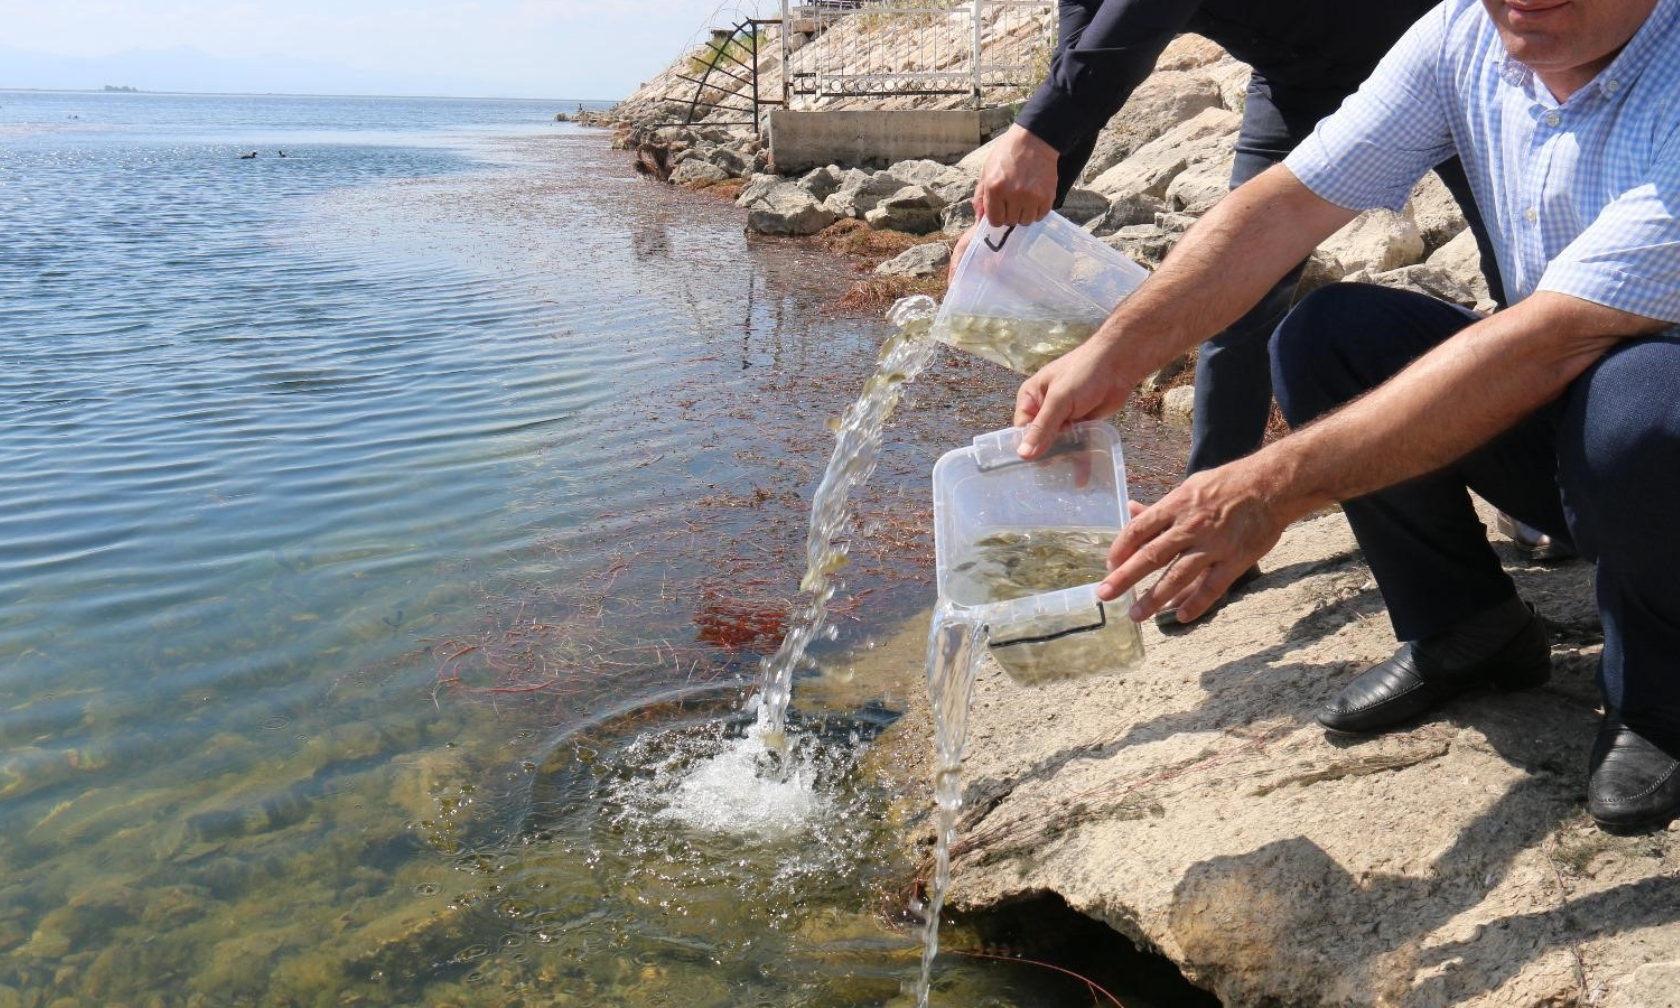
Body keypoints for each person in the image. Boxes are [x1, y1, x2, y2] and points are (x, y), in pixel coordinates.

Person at [1013, 0, 1680, 831]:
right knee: (1329, 337)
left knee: (1641, 404)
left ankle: (1660, 703)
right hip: (1579, 406)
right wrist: (1111, 353)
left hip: (1647, 419)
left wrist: (1270, 488)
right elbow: (1284, 207)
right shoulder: (1463, 38)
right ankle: (1465, 628)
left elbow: (1549, 340)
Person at [960, 0, 1508, 624]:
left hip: (1435, 54)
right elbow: (1082, 56)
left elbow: (1130, 32)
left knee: (1514, 269)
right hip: (1297, 81)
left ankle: (1542, 482)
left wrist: (1033, 135)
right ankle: (1213, 534)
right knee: (1238, 304)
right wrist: (1009, 225)